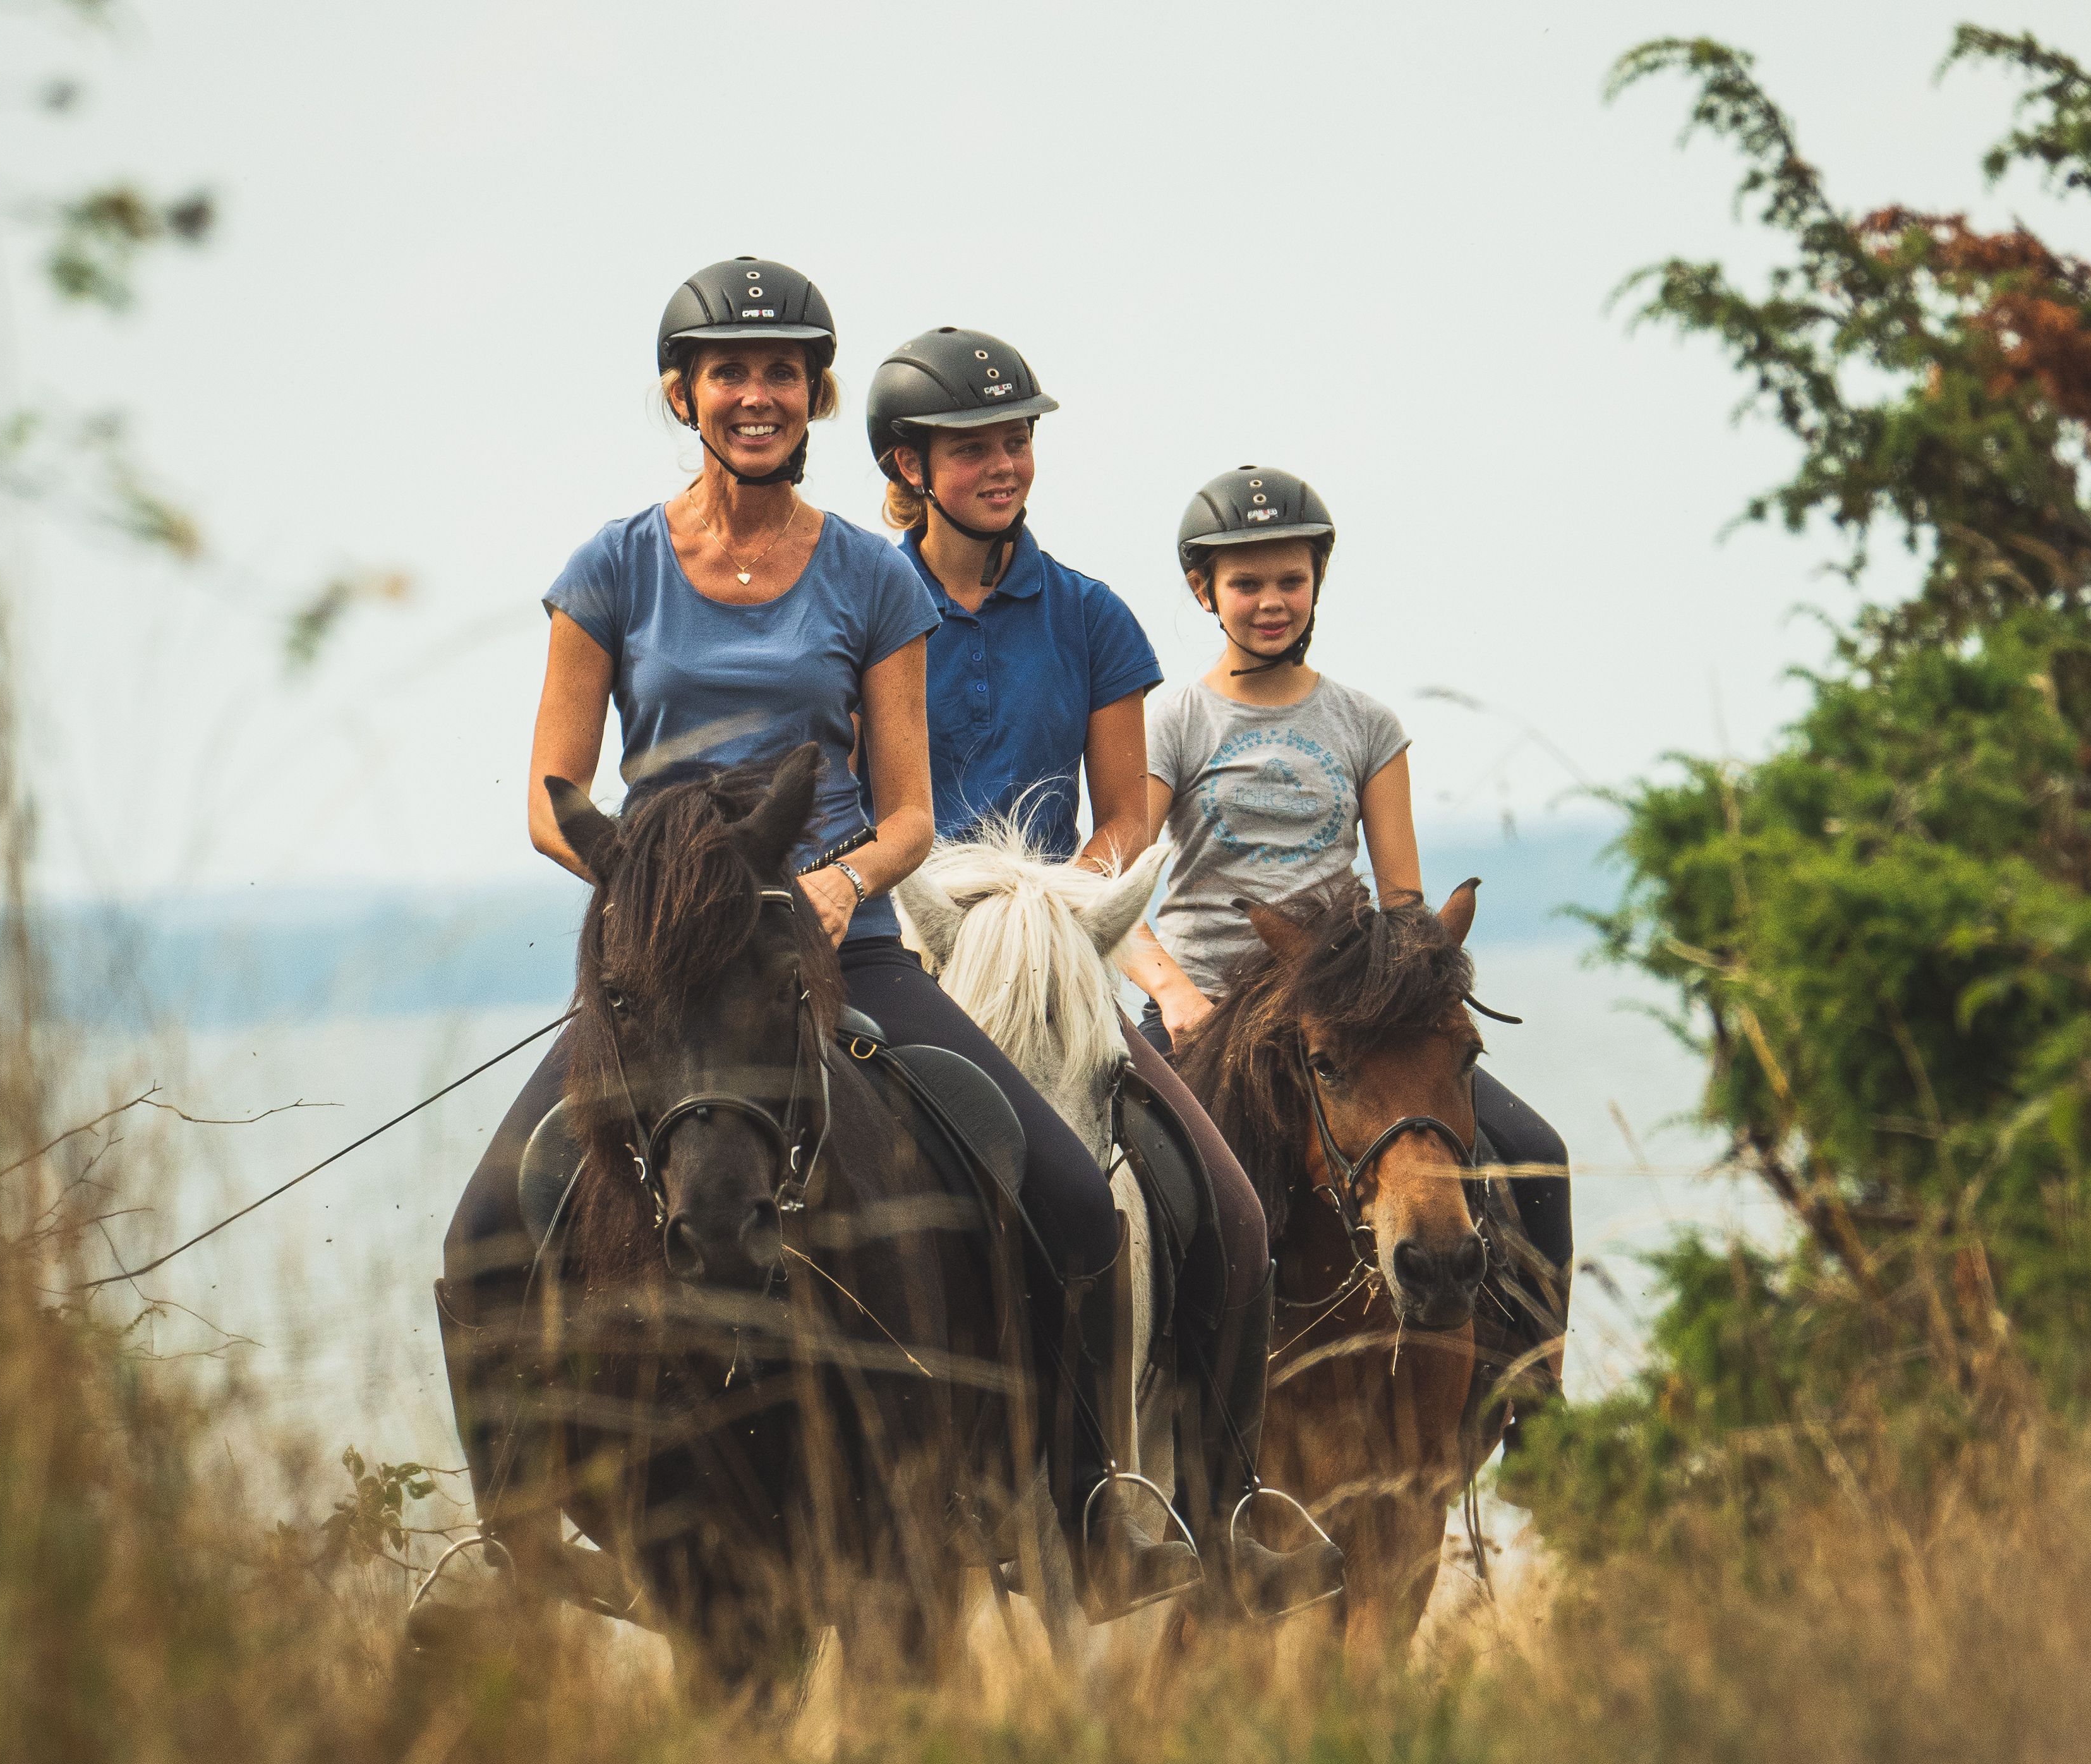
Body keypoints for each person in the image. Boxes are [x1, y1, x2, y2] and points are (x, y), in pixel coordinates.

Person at [441, 258, 1197, 1618]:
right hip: (664, 968)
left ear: (814, 395)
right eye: (731, 371)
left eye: (783, 370)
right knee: (491, 1224)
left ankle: (1086, 1506)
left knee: (1075, 1204)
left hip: (832, 943)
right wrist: (655, 886)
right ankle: (510, 1550)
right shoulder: (608, 568)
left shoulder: (865, 575)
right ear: (684, 392)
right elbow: (557, 804)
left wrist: (838, 887)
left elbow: (907, 812)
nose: (758, 393)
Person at [865, 331, 1342, 1615]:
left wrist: (1052, 904)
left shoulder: (1088, 614)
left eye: (1018, 438)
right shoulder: (858, 598)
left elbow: (1129, 812)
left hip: (1049, 952)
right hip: (902, 945)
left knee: (1229, 1208)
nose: (1006, 462)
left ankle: (1223, 1501)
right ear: (911, 464)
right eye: (976, 445)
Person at [1114, 465, 1573, 1443]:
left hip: (1346, 1013)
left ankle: (1534, 1404)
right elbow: (1111, 890)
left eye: (1290, 579)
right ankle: (1139, 1421)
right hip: (1210, 1013)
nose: (1271, 602)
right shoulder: (1175, 722)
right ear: (1205, 592)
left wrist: (1412, 978)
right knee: (1143, 1194)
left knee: (1535, 1154)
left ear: (1318, 581)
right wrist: (1175, 995)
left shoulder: (1365, 724)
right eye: (1247, 584)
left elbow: (1401, 895)